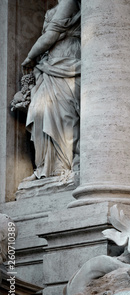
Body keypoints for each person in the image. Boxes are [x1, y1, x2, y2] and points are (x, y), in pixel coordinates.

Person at [21, 0, 81, 181]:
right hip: (50, 66)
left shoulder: (69, 2)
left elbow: (51, 36)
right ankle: (45, 167)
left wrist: (30, 57)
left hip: (67, 61)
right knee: (40, 111)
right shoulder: (54, 7)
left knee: (65, 115)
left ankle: (67, 165)